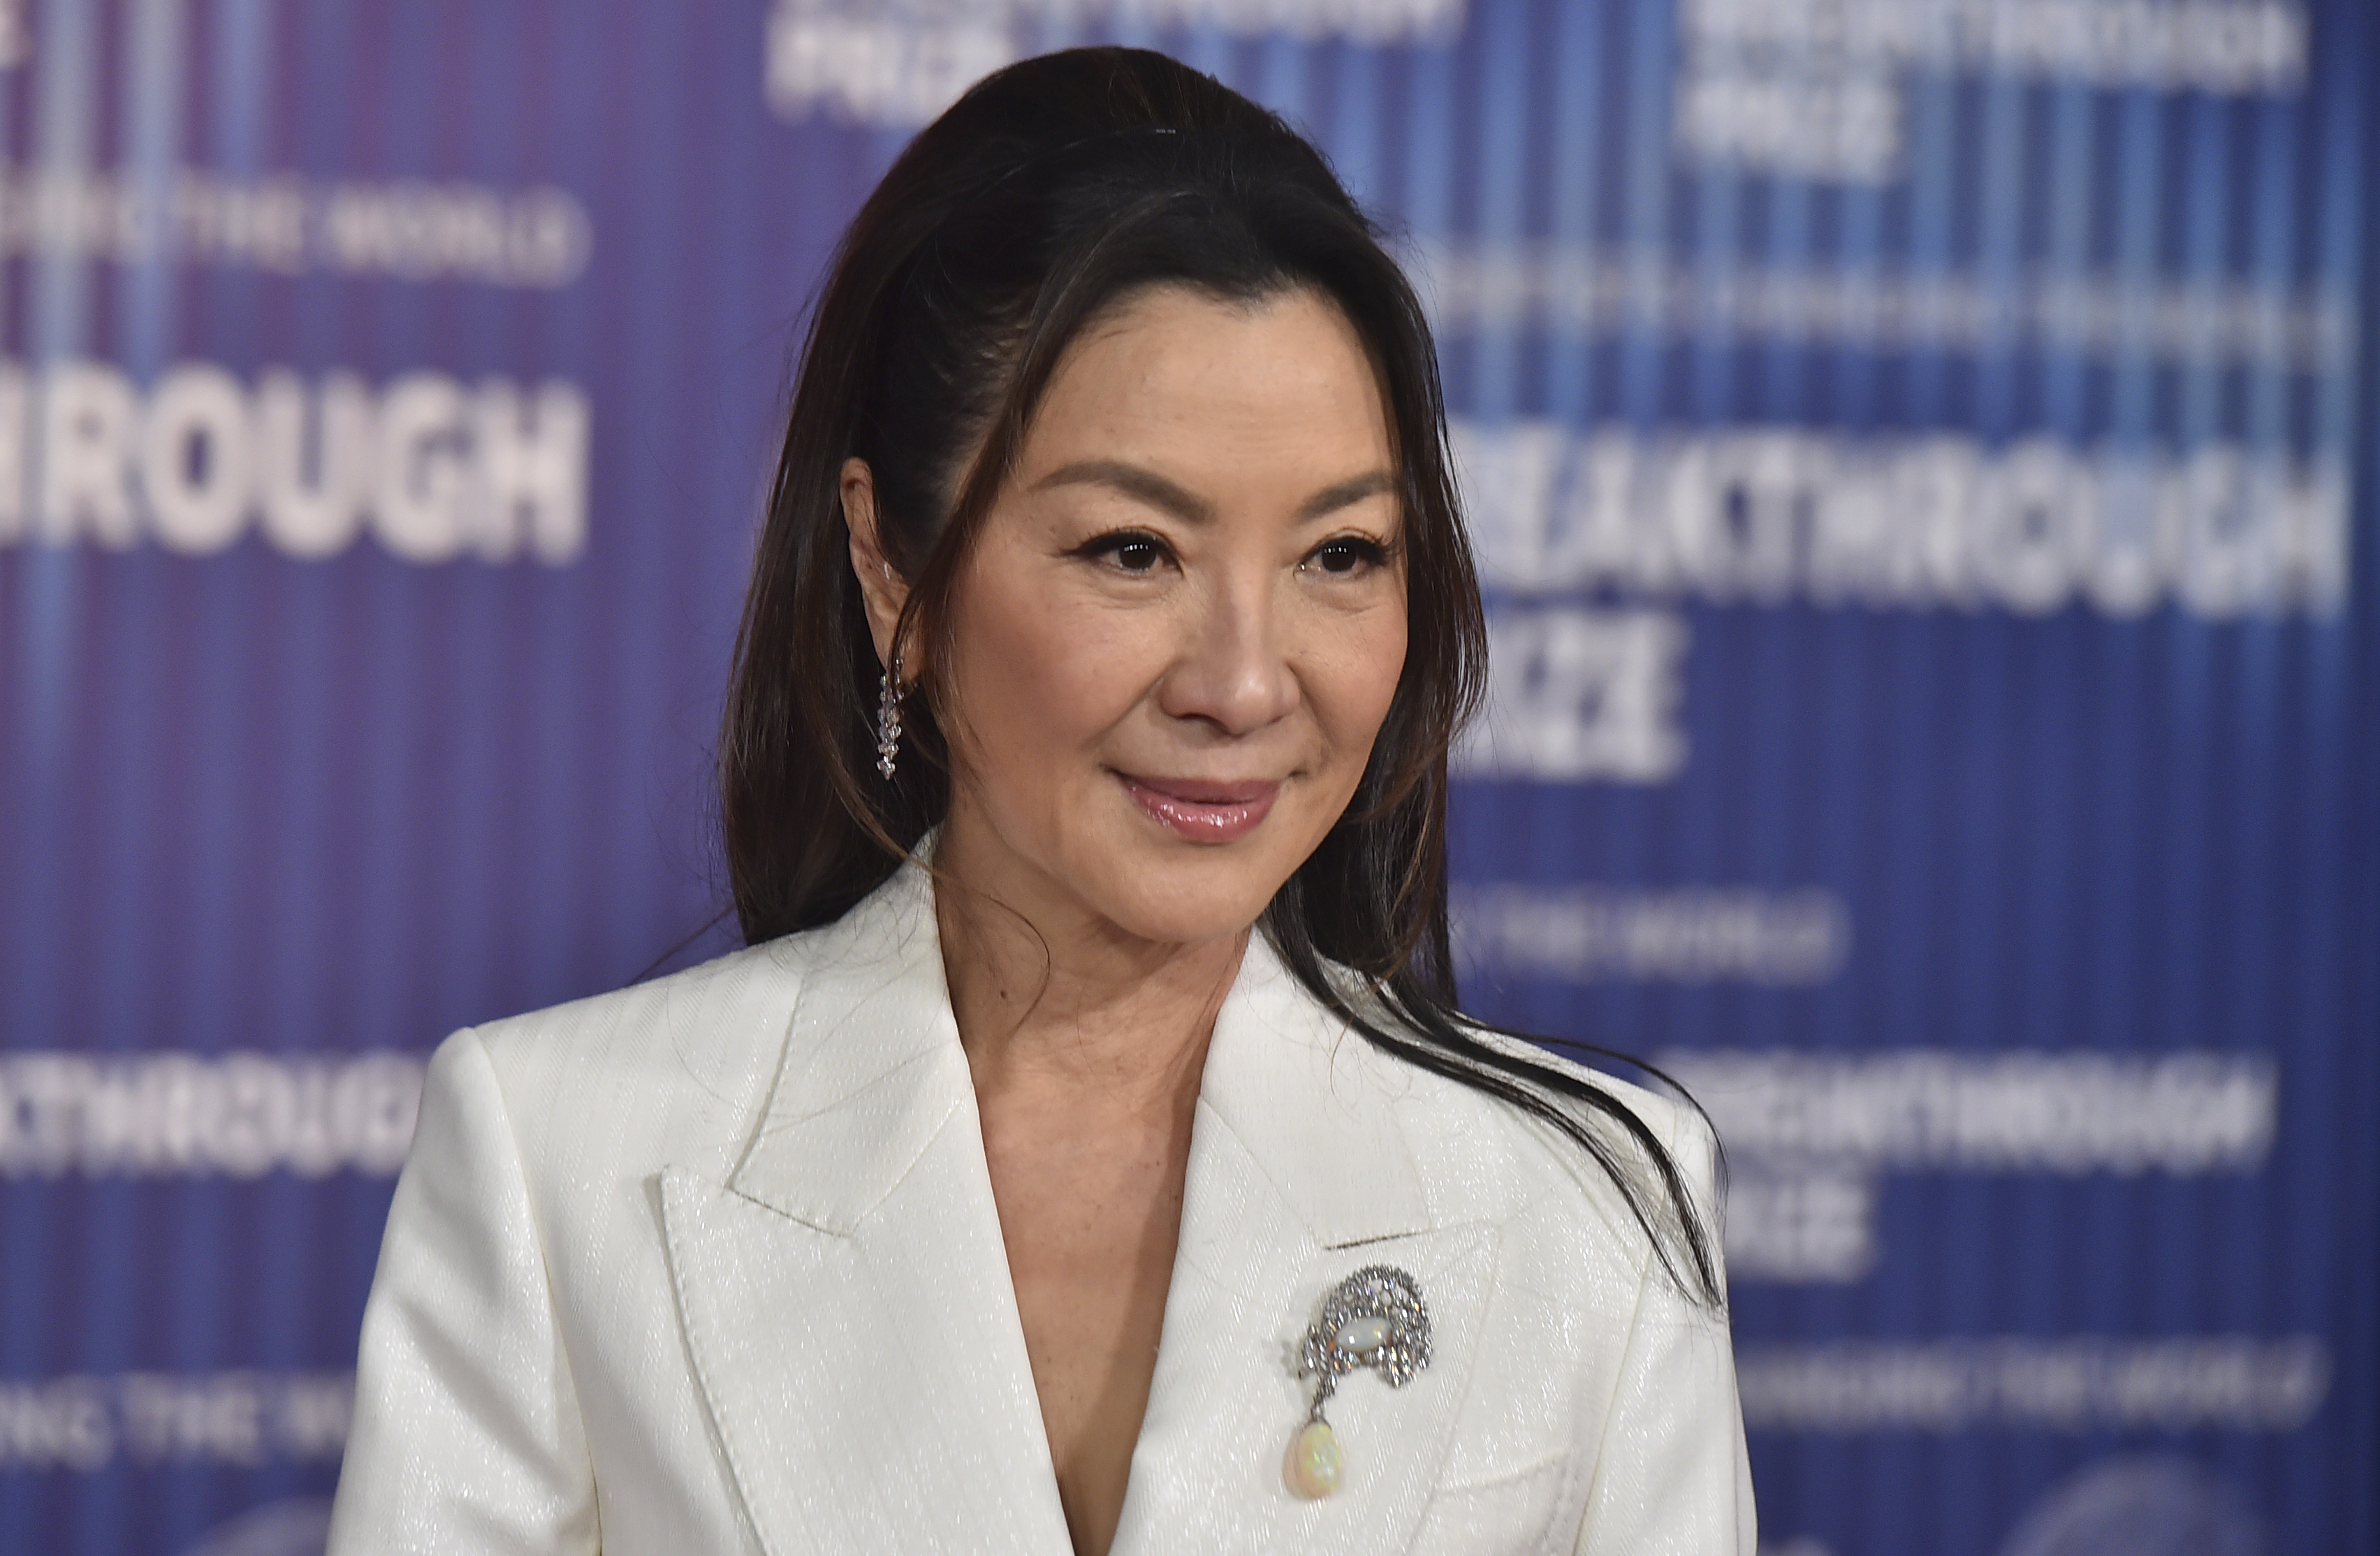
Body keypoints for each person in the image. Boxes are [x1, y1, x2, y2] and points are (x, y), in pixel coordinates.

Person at [326, 45, 1754, 1556]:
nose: (1243, 683)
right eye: (1134, 550)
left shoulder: (1590, 1210)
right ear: (893, 571)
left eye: (1341, 555)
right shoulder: (563, 1160)